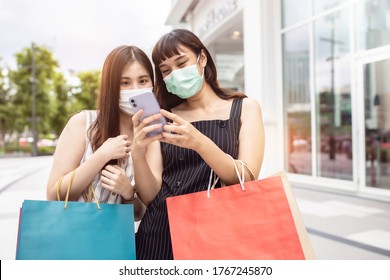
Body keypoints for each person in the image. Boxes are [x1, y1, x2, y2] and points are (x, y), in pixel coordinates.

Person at [135, 29, 265, 259]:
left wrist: (199, 143)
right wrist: (137, 153)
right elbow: (149, 196)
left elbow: (247, 177)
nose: (174, 74)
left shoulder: (245, 107)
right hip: (161, 232)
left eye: (181, 63)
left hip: (220, 230)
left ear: (202, 58)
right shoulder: (163, 116)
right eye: (166, 71)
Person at [46, 45, 163, 221]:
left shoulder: (151, 134)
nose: (135, 89)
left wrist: (128, 192)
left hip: (114, 242)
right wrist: (101, 156)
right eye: (125, 83)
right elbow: (54, 195)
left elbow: (142, 212)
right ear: (111, 86)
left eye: (143, 80)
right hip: (72, 237)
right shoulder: (83, 123)